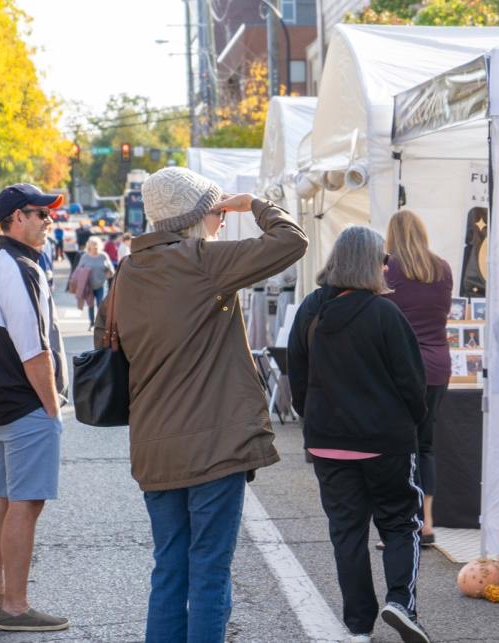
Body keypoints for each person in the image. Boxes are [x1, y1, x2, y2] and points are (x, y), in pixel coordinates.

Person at [93, 167, 307, 643]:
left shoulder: (126, 273)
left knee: (170, 570)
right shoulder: (203, 261)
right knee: (209, 572)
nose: (221, 220)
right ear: (194, 218)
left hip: (153, 446)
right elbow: (292, 241)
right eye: (215, 211)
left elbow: (113, 346)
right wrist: (252, 204)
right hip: (214, 445)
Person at [287, 226, 431, 643]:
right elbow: (412, 383)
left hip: (328, 441)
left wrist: (312, 418)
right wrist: (413, 425)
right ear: (373, 264)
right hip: (385, 441)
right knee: (400, 522)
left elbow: (297, 374)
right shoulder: (386, 313)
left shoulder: (310, 310)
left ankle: (358, 626)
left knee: (346, 531)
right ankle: (401, 602)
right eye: (384, 260)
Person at [0, 183, 69, 632]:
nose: (49, 220)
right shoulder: (20, 267)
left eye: (48, 214)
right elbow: (35, 350)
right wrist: (52, 409)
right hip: (22, 405)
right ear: (14, 218)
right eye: (39, 213)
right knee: (24, 506)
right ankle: (15, 606)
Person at [383, 209, 453, 547]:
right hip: (438, 366)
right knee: (425, 445)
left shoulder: (388, 270)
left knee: (397, 448)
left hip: (401, 369)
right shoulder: (443, 269)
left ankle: (401, 524)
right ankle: (426, 523)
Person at [76, 237, 114, 330]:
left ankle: (100, 324)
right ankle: (92, 324)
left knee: (100, 305)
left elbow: (111, 270)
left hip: (101, 284)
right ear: (89, 246)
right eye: (93, 244)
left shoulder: (103, 256)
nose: (95, 246)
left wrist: (108, 270)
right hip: (89, 286)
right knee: (91, 305)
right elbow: (78, 270)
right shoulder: (85, 257)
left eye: (97, 244)